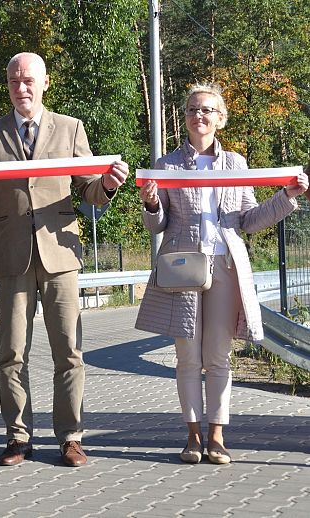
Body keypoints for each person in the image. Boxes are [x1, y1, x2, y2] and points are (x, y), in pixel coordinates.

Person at [0, 52, 130, 467]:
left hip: (60, 254)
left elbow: (88, 190)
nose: (21, 88)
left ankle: (71, 437)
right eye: (13, 81)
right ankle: (18, 437)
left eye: (29, 80)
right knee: (11, 353)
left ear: (45, 83)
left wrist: (109, 185)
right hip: (12, 256)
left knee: (69, 352)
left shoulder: (71, 128)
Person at [135, 83, 308, 464]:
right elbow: (157, 224)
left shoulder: (236, 164)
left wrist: (287, 197)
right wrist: (150, 202)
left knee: (218, 356)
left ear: (220, 119)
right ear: (185, 116)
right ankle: (192, 436)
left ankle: (217, 434)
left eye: (208, 110)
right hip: (183, 269)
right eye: (194, 109)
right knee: (187, 358)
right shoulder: (166, 165)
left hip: (226, 267)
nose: (200, 116)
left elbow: (248, 219)